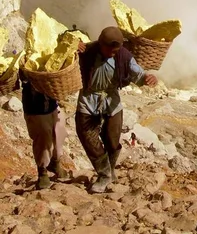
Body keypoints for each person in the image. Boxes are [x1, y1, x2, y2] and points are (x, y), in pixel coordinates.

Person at [76, 26, 158, 193]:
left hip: (112, 100)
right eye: (109, 51)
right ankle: (104, 174)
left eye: (115, 51)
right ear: (100, 44)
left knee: (112, 139)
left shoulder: (124, 56)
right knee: (88, 137)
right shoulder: (87, 51)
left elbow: (138, 74)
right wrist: (71, 47)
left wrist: (147, 78)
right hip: (88, 99)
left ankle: (111, 170)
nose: (112, 54)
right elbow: (61, 55)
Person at [20, 70, 68, 190]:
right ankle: (42, 171)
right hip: (35, 108)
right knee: (43, 138)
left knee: (60, 131)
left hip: (52, 105)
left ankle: (55, 162)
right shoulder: (26, 62)